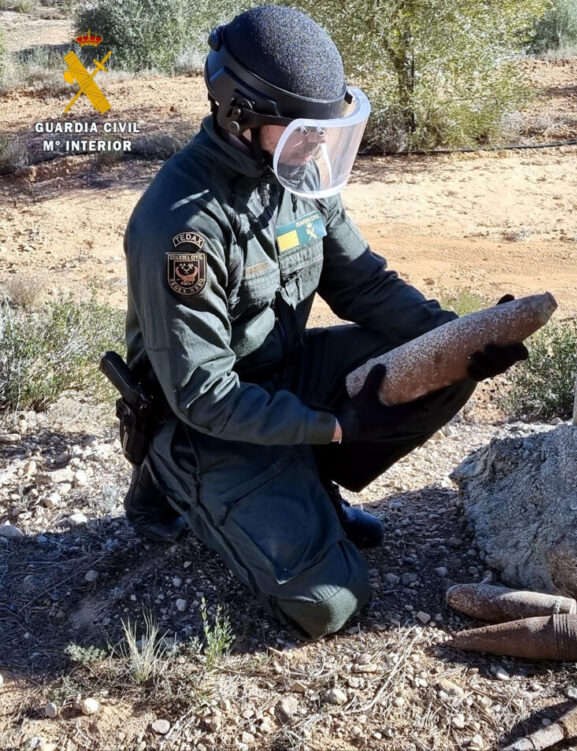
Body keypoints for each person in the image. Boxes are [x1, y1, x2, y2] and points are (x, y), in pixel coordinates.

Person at [119, 5, 527, 640]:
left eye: (323, 129)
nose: (316, 144)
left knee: (443, 370)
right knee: (330, 603)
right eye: (303, 129)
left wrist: (459, 336)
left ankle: (304, 481)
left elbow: (363, 283)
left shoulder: (296, 173)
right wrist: (335, 426)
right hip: (204, 420)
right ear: (240, 115)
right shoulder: (182, 226)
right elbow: (202, 394)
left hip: (282, 375)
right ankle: (173, 483)